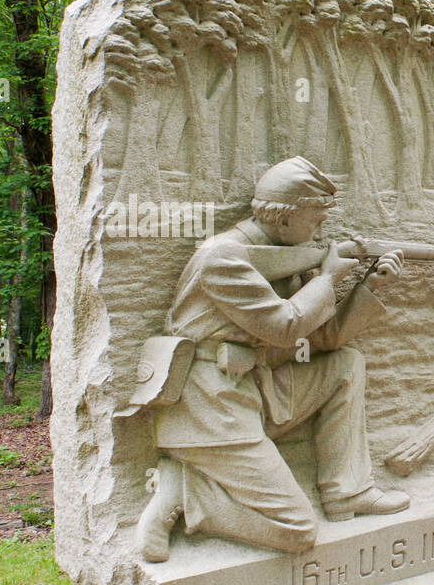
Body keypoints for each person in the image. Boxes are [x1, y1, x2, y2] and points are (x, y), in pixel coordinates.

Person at [136, 156, 409, 562]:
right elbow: (284, 326)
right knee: (296, 531)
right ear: (283, 219)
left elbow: (324, 339)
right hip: (210, 406)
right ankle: (188, 492)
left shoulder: (284, 252)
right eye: (315, 222)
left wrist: (369, 286)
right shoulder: (223, 258)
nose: (322, 232)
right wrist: (328, 277)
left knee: (345, 365)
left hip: (253, 391)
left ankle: (347, 492)